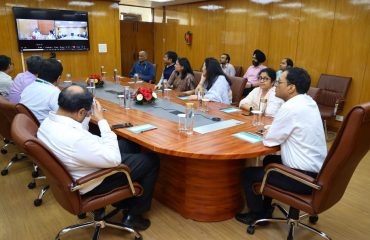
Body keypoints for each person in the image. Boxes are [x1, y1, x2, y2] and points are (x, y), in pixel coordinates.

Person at [37, 85, 159, 230]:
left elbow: (83, 134)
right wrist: (101, 120)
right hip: (91, 181)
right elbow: (114, 159)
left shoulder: (47, 123)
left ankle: (123, 201)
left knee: (128, 145)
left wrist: (86, 117)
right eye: (86, 112)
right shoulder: (74, 139)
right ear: (81, 111)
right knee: (151, 160)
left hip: (78, 167)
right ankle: (133, 215)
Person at [235, 67, 327, 225]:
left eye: (279, 82)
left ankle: (257, 215)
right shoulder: (308, 102)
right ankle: (265, 207)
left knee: (248, 174)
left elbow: (270, 141)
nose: (276, 85)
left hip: (302, 178)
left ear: (291, 88)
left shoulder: (290, 107)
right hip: (318, 173)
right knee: (269, 159)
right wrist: (273, 130)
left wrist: (268, 132)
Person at [20, 58, 62, 123]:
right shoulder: (54, 92)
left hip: (26, 126)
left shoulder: (28, 88)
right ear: (59, 78)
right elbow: (63, 116)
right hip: (42, 129)